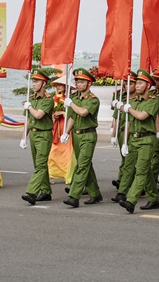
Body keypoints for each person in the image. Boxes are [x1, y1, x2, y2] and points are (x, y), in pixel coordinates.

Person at [116, 69, 159, 213]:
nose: (137, 86)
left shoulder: (153, 101)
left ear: (148, 85)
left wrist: (128, 109)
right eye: (136, 83)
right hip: (134, 139)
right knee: (141, 169)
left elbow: (142, 116)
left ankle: (131, 200)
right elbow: (128, 122)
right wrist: (125, 142)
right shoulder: (133, 102)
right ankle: (153, 198)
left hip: (147, 139)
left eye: (140, 83)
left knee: (141, 171)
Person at [63, 68, 102, 207]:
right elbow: (73, 117)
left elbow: (83, 112)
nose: (78, 84)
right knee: (86, 165)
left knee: (82, 166)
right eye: (77, 82)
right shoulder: (75, 98)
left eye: (82, 82)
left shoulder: (92, 99)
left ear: (89, 83)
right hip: (77, 135)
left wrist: (71, 104)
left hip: (88, 135)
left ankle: (74, 196)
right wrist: (66, 132)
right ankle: (95, 193)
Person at [21, 68, 56, 205]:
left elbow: (38, 115)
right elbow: (28, 120)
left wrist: (29, 107)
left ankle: (32, 192)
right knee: (39, 164)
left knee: (40, 165)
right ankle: (46, 191)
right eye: (33, 81)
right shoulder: (31, 99)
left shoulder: (48, 100)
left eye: (37, 82)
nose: (34, 84)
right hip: (34, 134)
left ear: (44, 84)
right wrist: (24, 137)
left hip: (43, 135)